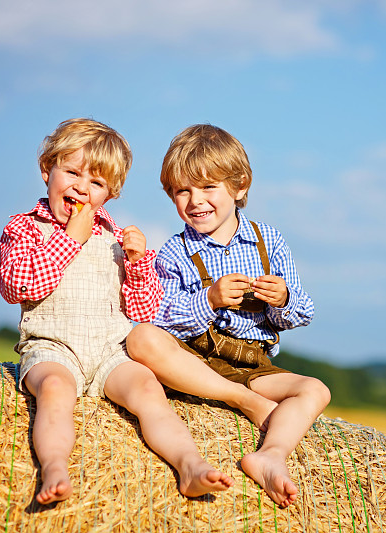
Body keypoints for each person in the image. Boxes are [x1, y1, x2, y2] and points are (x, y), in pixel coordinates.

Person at [0, 118, 233, 505]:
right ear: (47, 169)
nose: (81, 187)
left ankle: (189, 464)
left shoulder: (115, 238)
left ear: (111, 192)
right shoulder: (24, 229)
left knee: (147, 390)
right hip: (53, 348)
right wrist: (69, 239)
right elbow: (18, 286)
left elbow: (143, 310)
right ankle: (54, 465)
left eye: (96, 183)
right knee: (55, 390)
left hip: (110, 351)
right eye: (72, 172)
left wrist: (139, 265)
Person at [126, 124, 331, 509]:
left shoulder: (268, 240)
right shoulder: (174, 253)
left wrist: (282, 299)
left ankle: (271, 455)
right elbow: (163, 316)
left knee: (316, 390)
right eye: (182, 190)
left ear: (239, 187)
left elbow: (304, 311)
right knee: (141, 338)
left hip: (253, 365)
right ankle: (242, 402)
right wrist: (209, 299)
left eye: (207, 188)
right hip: (195, 361)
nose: (195, 200)